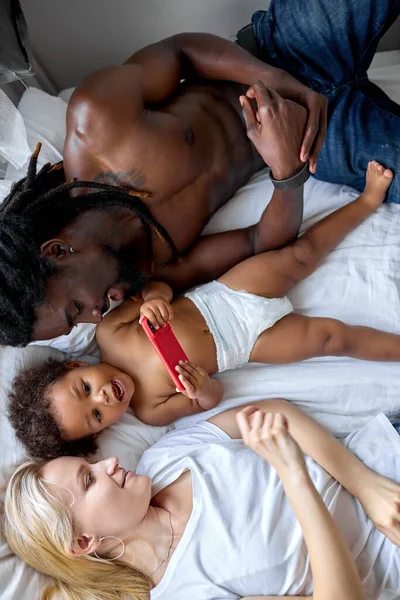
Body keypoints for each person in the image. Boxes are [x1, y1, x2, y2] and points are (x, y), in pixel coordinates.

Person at [0, 0, 399, 346]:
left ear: (56, 252)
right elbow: (261, 241)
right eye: (80, 323)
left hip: (279, 54)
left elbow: (183, 51)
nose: (94, 318)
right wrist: (286, 171)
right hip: (310, 142)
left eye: (76, 309)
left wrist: (278, 82)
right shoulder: (151, 270)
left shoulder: (96, 123)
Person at [9, 161, 399, 457]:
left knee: (299, 255)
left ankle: (367, 201)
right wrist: (202, 387)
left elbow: (159, 285)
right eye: (96, 416)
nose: (103, 399)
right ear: (101, 431)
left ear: (77, 366)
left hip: (226, 298)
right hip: (248, 344)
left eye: (86, 389)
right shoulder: (150, 410)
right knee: (329, 340)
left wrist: (156, 300)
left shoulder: (109, 333)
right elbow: (209, 399)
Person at [3, 399, 400, 600]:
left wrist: (366, 486)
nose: (110, 462)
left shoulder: (163, 459)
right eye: (89, 480)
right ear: (84, 542)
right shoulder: (187, 591)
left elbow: (272, 412)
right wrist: (293, 474)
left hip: (383, 449)